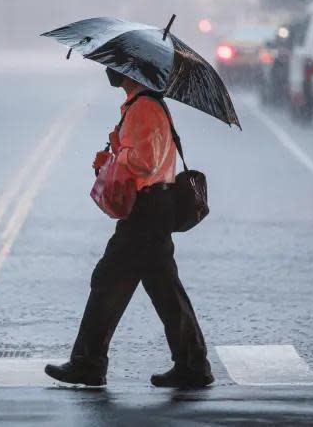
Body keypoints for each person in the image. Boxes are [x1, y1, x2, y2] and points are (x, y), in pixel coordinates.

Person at [44, 67, 213, 388]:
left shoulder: (144, 108)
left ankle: (88, 363)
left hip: (147, 208)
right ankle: (193, 364)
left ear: (131, 71)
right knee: (163, 288)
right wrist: (117, 147)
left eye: (115, 66)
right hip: (154, 206)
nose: (109, 70)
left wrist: (115, 157)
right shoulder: (143, 105)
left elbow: (144, 160)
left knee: (108, 279)